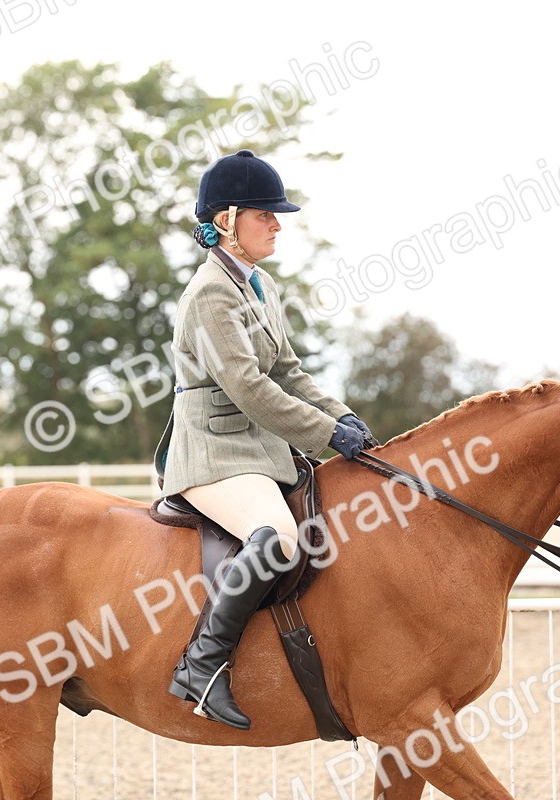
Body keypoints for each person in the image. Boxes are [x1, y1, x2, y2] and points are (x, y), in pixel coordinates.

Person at [154, 150, 377, 730]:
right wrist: (325, 434)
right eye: (265, 215)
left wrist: (344, 417)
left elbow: (288, 373)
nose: (278, 224)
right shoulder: (210, 294)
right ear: (226, 220)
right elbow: (248, 386)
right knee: (277, 536)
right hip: (213, 453)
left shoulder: (260, 286)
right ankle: (201, 667)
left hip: (259, 450)